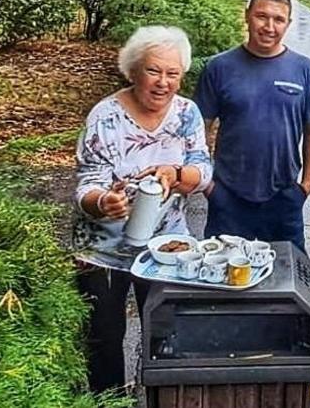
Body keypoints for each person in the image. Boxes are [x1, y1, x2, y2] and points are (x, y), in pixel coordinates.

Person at [194, 0, 310, 384]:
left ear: (288, 23)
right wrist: (208, 183)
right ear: (248, 16)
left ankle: (303, 354)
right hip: (229, 198)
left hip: (282, 199)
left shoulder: (303, 69)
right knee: (221, 278)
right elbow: (197, 129)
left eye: (278, 19)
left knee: (294, 284)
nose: (269, 26)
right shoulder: (220, 67)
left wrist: (305, 185)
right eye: (262, 16)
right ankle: (221, 349)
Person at [72, 25, 212, 393]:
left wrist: (177, 173)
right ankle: (110, 399)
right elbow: (87, 184)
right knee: (103, 338)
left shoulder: (187, 114)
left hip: (166, 249)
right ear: (133, 70)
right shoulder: (105, 117)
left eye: (172, 73)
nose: (163, 82)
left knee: (167, 335)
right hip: (103, 251)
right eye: (153, 71)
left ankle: (160, 398)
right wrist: (103, 202)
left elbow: (204, 170)